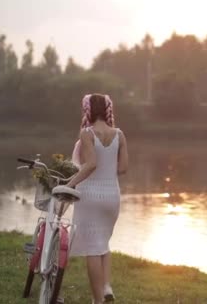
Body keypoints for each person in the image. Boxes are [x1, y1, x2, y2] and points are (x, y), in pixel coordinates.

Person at [66, 93, 129, 304]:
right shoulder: (119, 134)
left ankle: (98, 300)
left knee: (92, 248)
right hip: (112, 197)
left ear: (89, 111)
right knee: (103, 243)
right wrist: (108, 165)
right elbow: (123, 168)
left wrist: (70, 184)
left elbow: (90, 164)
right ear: (107, 110)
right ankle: (105, 288)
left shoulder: (87, 133)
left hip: (90, 197)